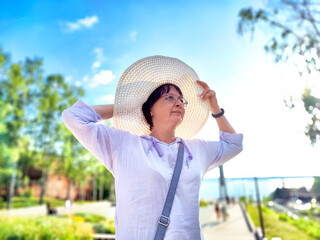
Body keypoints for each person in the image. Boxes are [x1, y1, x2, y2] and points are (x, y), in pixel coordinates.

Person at [61, 56, 243, 240]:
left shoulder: (196, 150)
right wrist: (126, 107)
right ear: (150, 109)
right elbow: (74, 116)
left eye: (182, 100)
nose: (179, 102)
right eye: (170, 97)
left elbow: (234, 144)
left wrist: (215, 109)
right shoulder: (124, 144)